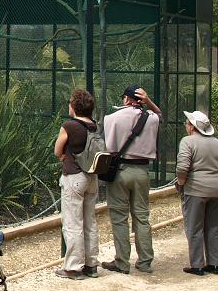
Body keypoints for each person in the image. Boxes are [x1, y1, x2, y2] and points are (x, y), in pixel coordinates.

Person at [101, 85, 161, 274]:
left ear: (126, 99)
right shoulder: (151, 119)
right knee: (142, 217)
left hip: (119, 171)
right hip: (142, 171)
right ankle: (144, 262)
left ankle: (122, 262)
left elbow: (108, 146)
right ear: (141, 100)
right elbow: (160, 114)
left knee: (119, 218)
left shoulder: (111, 118)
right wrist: (149, 102)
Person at [54, 89, 100, 280]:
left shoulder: (69, 125)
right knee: (90, 221)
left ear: (74, 106)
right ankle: (91, 264)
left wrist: (63, 155)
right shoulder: (94, 126)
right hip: (91, 176)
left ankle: (73, 267)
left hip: (74, 176)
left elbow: (58, 149)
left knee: (73, 222)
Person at [175, 110, 218, 276]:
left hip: (196, 189)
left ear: (191, 126)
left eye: (187, 123)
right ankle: (213, 264)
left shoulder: (188, 141)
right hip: (216, 189)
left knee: (194, 227)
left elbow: (182, 167)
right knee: (212, 227)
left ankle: (197, 265)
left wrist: (181, 183)